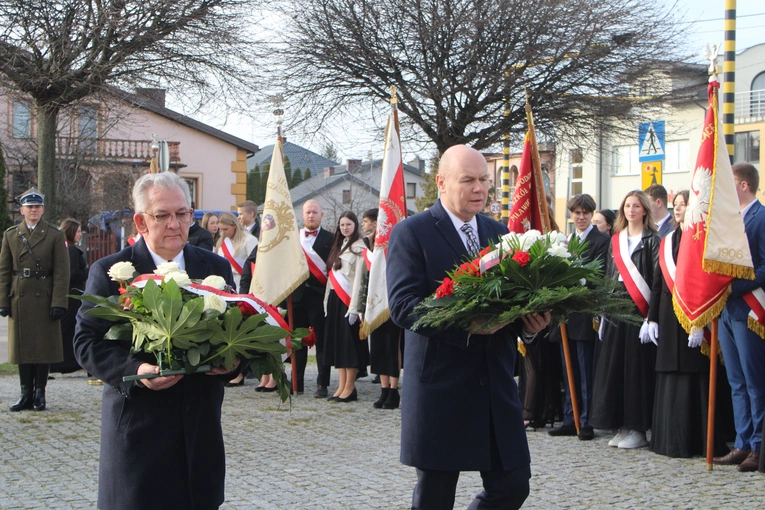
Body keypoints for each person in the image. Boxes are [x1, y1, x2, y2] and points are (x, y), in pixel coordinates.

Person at [387, 144, 550, 509]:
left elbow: (509, 304)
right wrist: (466, 326)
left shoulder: (500, 233)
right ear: (441, 183)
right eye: (468, 180)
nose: (479, 188)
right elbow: (402, 306)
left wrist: (529, 326)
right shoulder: (412, 233)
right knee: (435, 499)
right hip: (440, 387)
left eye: (484, 181)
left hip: (494, 386)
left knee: (512, 486)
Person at [73, 171, 241, 510]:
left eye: (182, 214)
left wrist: (234, 362)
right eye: (162, 215)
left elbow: (236, 332)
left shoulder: (215, 267)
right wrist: (139, 369)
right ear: (141, 221)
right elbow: (86, 344)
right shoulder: (112, 271)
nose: (174, 224)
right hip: (138, 433)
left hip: (199, 434)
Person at [648, 190, 729, 458]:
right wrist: (652, 318)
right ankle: (669, 440)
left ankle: (697, 441)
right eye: (677, 205)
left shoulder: (702, 240)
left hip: (696, 319)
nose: (679, 209)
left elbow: (706, 284)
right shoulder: (667, 240)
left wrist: (700, 321)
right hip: (669, 317)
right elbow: (658, 284)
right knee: (670, 373)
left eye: (684, 204)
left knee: (694, 375)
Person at [590, 190, 659, 449]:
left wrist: (651, 317)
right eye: (627, 206)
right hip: (616, 306)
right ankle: (621, 425)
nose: (631, 210)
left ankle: (637, 428)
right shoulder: (616, 240)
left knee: (635, 370)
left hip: (639, 309)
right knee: (615, 368)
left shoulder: (653, 240)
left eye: (636, 206)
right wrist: (604, 314)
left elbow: (656, 280)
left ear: (644, 210)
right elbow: (609, 277)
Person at [713, 162, 765, 472]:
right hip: (727, 310)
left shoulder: (762, 217)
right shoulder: (727, 220)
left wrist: (732, 286)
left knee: (754, 380)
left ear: (743, 185)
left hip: (749, 308)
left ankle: (758, 446)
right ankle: (742, 442)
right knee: (736, 381)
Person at [0, 188, 69, 412]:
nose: (34, 210)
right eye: (30, 207)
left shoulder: (54, 234)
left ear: (43, 210)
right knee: (22, 348)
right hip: (20, 296)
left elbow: (61, 271)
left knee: (43, 347)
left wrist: (59, 301)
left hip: (45, 295)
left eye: (37, 207)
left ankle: (40, 394)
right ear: (22, 210)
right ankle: (25, 394)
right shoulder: (11, 235)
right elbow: (4, 270)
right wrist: (3, 300)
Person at [547, 194, 609, 441]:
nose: (581, 217)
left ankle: (586, 421)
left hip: (585, 313)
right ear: (571, 215)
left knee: (584, 370)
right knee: (568, 369)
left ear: (592, 214)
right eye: (576, 213)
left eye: (585, 213)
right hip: (566, 315)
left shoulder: (601, 241)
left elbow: (598, 275)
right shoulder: (567, 241)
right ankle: (569, 417)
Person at [361, 207, 403, 409]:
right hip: (374, 301)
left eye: (367, 221)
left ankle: (394, 390)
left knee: (391, 346)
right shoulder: (367, 244)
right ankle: (384, 388)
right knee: (377, 346)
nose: (364, 225)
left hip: (391, 299)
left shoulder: (394, 241)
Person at [323, 211, 366, 402]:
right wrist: (325, 303)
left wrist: (355, 308)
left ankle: (350, 387)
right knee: (337, 345)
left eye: (348, 224)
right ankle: (340, 385)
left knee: (349, 346)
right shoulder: (337, 247)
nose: (345, 228)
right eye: (342, 225)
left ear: (355, 225)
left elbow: (359, 280)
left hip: (348, 301)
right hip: (334, 299)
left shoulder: (359, 248)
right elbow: (330, 279)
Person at [50, 218, 89, 375]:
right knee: (69, 328)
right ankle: (62, 362)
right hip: (73, 295)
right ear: (71, 232)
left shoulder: (65, 249)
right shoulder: (71, 251)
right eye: (78, 231)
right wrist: (89, 271)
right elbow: (73, 274)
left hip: (71, 294)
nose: (80, 234)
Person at [216, 211, 257, 290]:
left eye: (225, 229)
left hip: (243, 282)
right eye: (221, 230)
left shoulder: (249, 240)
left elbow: (254, 264)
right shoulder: (221, 242)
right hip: (225, 282)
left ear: (234, 225)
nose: (223, 232)